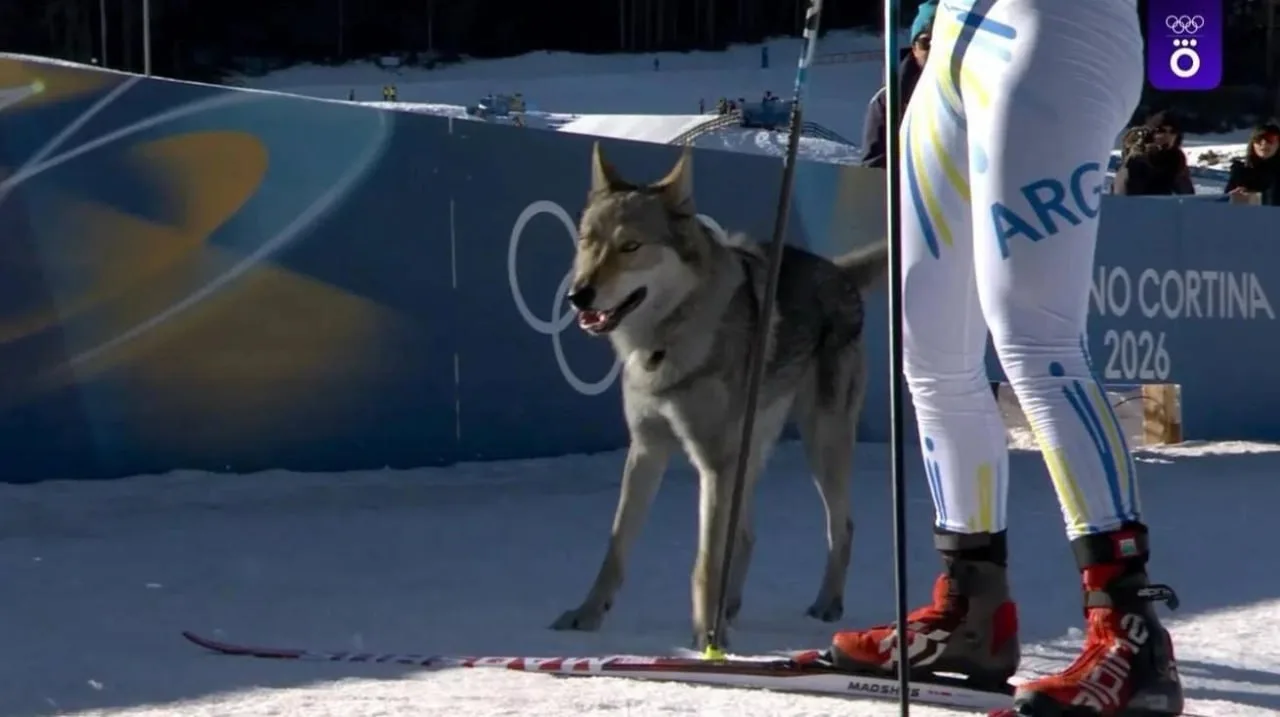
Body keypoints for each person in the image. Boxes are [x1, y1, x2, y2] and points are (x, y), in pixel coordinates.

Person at [829, 0, 1183, 715]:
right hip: (953, 35)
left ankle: (1131, 631)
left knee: (1037, 339)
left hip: (1055, 29)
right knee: (930, 348)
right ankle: (972, 612)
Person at [859, 5, 933, 168]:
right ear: (914, 47)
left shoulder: (974, 92)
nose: (933, 50)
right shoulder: (889, 99)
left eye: (942, 41)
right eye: (926, 43)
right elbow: (875, 165)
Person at [1112, 111, 1195, 196]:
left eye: (1173, 132)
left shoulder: (1177, 160)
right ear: (1152, 134)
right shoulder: (1136, 159)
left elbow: (1187, 196)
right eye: (1161, 131)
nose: (1167, 136)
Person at [1225, 121, 1280, 205]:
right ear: (1252, 144)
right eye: (1258, 139)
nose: (1264, 143)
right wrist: (1234, 197)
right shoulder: (1240, 173)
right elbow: (1225, 204)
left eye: (1270, 139)